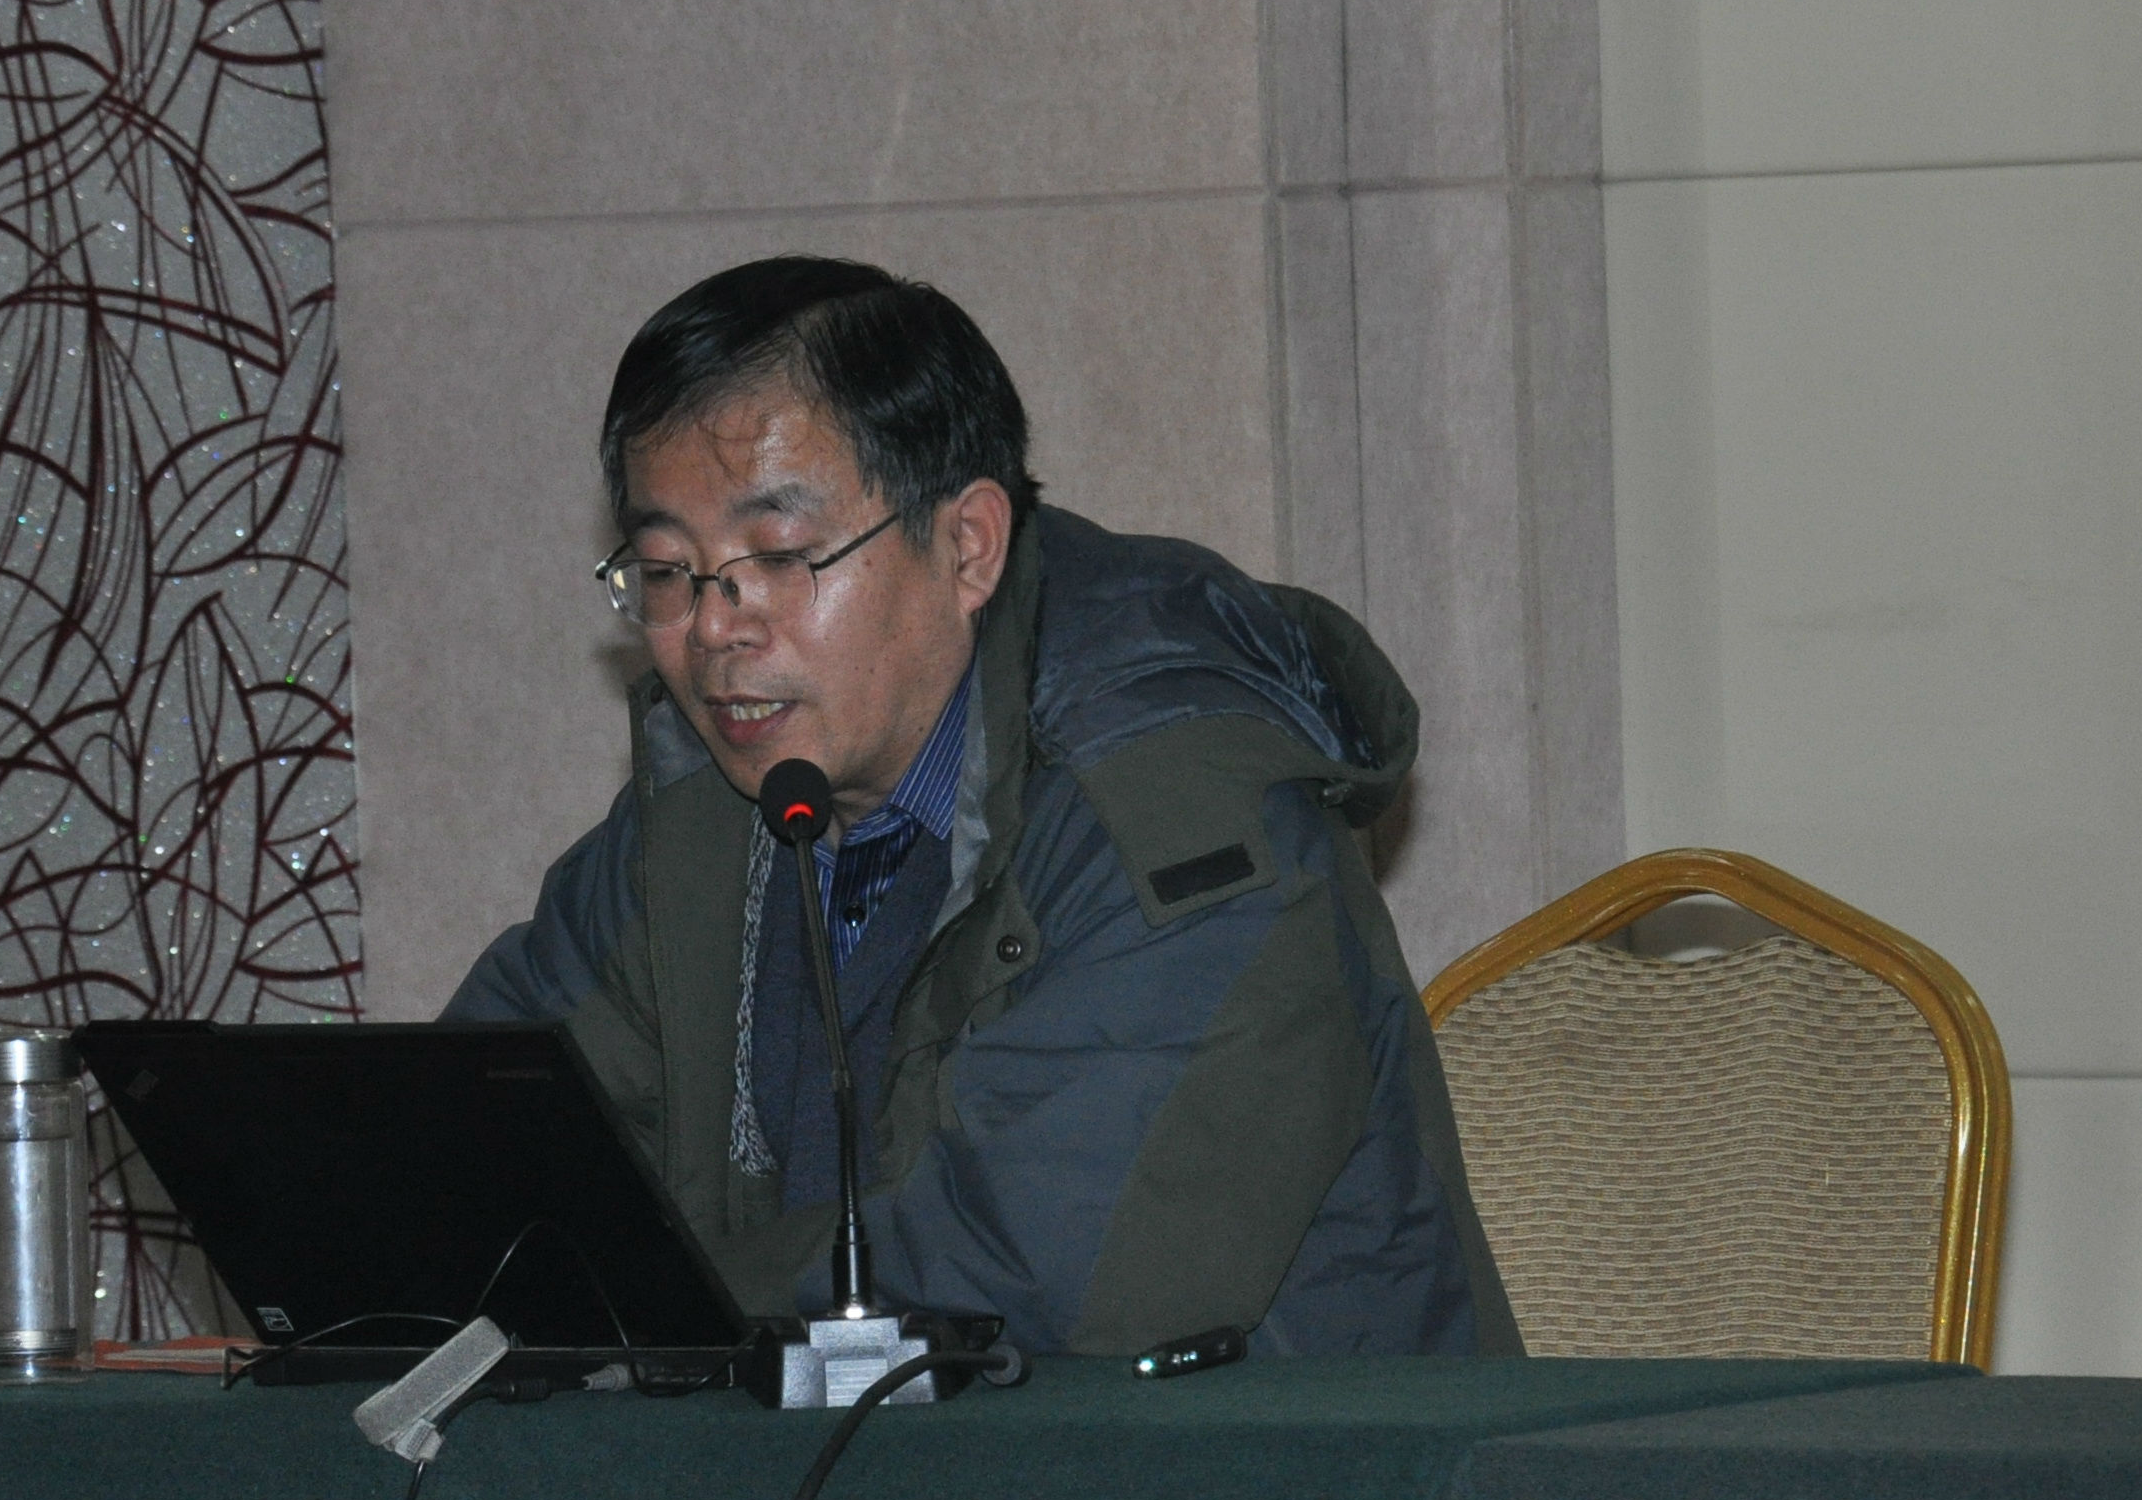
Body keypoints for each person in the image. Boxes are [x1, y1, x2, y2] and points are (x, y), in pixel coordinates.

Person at [445, 257, 1517, 1360]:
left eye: (779, 555)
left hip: (1265, 1461)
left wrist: (639, 1302)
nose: (716, 627)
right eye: (669, 569)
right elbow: (465, 1159)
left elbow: (1044, 1281)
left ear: (967, 546)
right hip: (861, 1456)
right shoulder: (706, 817)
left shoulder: (1183, 813)